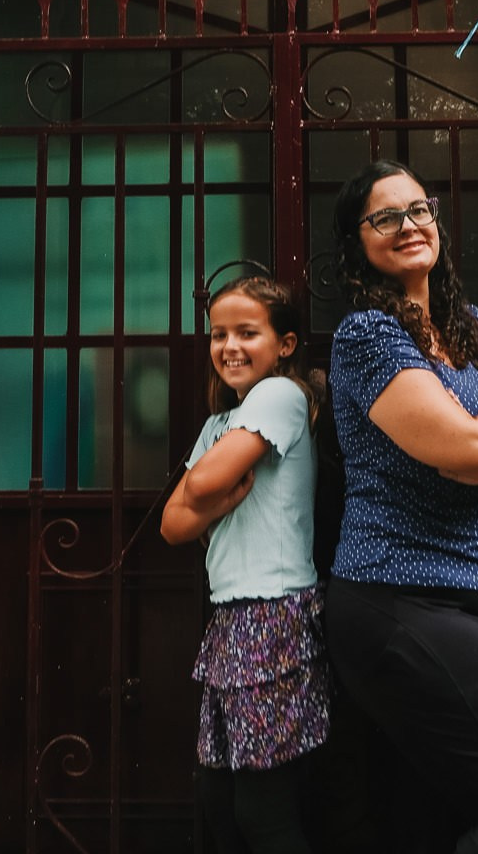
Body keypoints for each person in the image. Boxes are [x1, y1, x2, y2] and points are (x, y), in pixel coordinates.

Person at [324, 160, 478, 854]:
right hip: (402, 599)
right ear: (358, 242)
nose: (409, 225)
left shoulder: (464, 325)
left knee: (437, 818)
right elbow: (474, 450)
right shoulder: (369, 336)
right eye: (385, 217)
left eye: (419, 209)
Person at [161, 274, 328, 854]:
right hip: (232, 620)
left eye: (247, 333)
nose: (229, 346)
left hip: (275, 617)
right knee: (220, 800)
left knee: (263, 811)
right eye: (218, 334)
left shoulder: (280, 395)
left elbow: (200, 484)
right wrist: (218, 499)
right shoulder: (220, 423)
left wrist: (209, 493)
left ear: (285, 345)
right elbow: (172, 524)